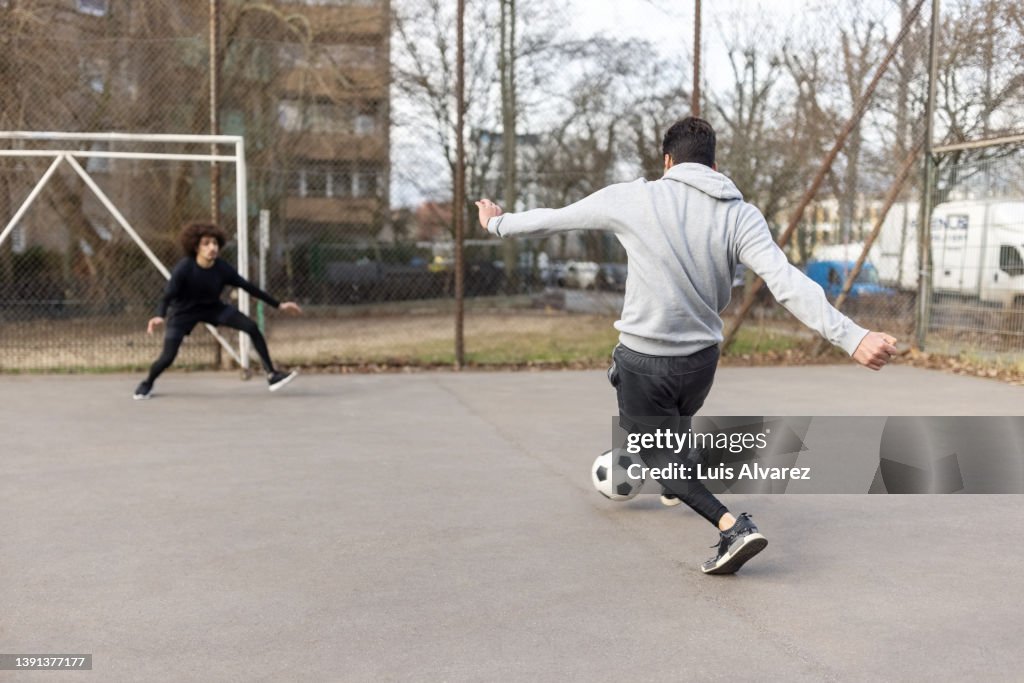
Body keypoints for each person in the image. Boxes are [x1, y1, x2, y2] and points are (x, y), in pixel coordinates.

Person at [476, 116, 898, 575]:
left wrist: (498, 223)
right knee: (674, 431)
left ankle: (732, 526)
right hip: (700, 364)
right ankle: (677, 479)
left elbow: (553, 220)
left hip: (644, 361)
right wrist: (853, 337)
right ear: (715, 164)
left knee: (655, 450)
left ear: (667, 160)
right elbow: (786, 282)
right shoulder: (739, 214)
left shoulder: (634, 198)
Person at [133, 221, 302, 400]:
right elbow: (168, 296)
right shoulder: (184, 268)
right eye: (206, 243)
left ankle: (272, 375)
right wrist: (159, 315)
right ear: (196, 247)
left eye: (215, 243)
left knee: (251, 327)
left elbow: (248, 287)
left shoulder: (222, 268)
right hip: (183, 313)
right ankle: (147, 383)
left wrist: (279, 305)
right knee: (167, 357)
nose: (212, 247)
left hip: (212, 308)